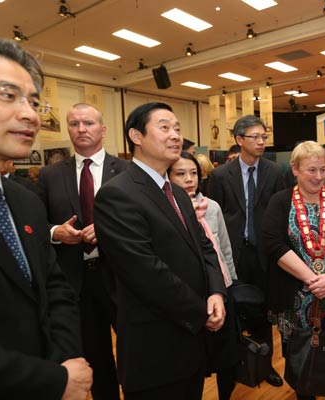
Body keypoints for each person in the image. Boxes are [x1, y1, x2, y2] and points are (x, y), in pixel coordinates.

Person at [93, 102, 226, 399]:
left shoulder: (177, 191)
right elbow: (146, 271)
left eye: (177, 128)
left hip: (191, 343)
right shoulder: (117, 194)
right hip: (153, 348)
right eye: (164, 127)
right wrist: (200, 311)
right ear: (136, 137)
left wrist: (216, 291)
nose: (175, 135)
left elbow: (203, 246)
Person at [0, 37, 92, 399]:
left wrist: (66, 362)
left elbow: (55, 290)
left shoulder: (25, 202)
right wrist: (52, 380)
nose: (31, 115)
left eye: (34, 102)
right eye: (8, 95)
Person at [262, 141, 325, 400]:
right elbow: (272, 242)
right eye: (311, 170)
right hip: (296, 298)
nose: (319, 176)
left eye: (323, 169)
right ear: (295, 169)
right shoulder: (280, 201)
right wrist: (312, 279)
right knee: (301, 363)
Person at [37, 103, 125, 399]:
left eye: (88, 123)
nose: (81, 129)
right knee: (96, 357)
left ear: (103, 129)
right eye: (74, 124)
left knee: (137, 351)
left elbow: (144, 222)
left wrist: (107, 231)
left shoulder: (127, 171)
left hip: (123, 277)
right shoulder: (49, 176)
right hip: (77, 282)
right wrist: (55, 233)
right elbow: (37, 223)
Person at [209, 114, 285, 387]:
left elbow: (280, 214)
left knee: (265, 312)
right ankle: (236, 365)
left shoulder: (275, 173)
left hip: (265, 254)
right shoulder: (219, 175)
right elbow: (213, 218)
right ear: (240, 140)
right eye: (256, 137)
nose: (262, 141)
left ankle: (266, 365)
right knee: (234, 311)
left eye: (265, 137)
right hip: (234, 256)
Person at [168, 151, 238, 399]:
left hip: (221, 288)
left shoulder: (213, 207)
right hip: (191, 294)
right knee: (195, 360)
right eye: (180, 173)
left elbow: (225, 249)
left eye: (193, 173)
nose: (189, 179)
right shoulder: (167, 210)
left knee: (227, 357)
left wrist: (230, 285)